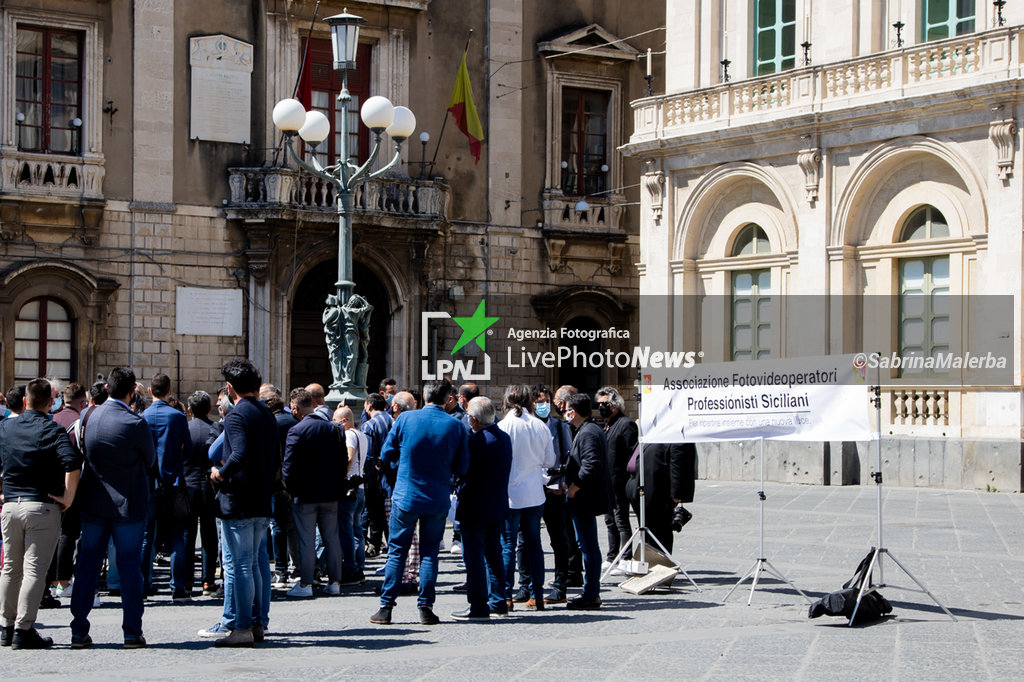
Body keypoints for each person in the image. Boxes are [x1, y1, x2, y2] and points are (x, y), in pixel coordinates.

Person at [70, 367, 156, 648]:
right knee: (129, 566)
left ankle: (78, 630)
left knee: (88, 564)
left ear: (106, 388)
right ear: (132, 393)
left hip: (94, 501)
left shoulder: (87, 416)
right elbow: (150, 461)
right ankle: (132, 631)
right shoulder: (135, 423)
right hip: (128, 504)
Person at [371, 381, 469, 626]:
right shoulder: (456, 425)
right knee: (429, 553)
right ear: (448, 399)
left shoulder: (405, 420)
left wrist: (400, 468)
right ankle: (425, 607)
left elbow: (386, 454)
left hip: (406, 495)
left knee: (397, 552)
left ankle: (386, 607)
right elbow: (463, 466)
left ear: (424, 397)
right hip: (436, 496)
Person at [0, 379, 82, 649]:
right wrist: (67, 498)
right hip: (41, 505)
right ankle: (24, 629)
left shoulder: (6, 427)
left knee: (10, 568)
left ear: (25, 401)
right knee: (34, 570)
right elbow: (72, 463)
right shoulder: (52, 429)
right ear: (51, 403)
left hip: (11, 504)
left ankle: (5, 626)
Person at [208, 359, 277, 647]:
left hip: (239, 499)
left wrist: (219, 474)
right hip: (262, 497)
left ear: (229, 387)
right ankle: (258, 622)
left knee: (240, 566)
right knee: (256, 564)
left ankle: (242, 627)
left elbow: (238, 454)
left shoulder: (237, 416)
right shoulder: (266, 413)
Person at [451, 397, 512, 621]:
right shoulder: (504, 438)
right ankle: (499, 601)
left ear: (474, 420)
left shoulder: (475, 442)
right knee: (494, 554)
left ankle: (478, 604)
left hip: (474, 506)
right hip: (496, 504)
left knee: (474, 557)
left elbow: (462, 470)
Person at [282, 388, 344, 599]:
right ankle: (335, 581)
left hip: (305, 495)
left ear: (296, 409)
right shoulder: (333, 429)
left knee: (306, 540)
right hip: (330, 493)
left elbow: (288, 467)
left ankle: (306, 582)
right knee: (331, 537)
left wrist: (290, 490)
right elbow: (341, 461)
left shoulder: (297, 430)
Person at [497, 385, 556, 611]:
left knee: (508, 546)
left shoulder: (504, 426)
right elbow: (550, 461)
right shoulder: (540, 427)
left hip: (511, 494)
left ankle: (506, 596)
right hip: (534, 493)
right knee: (534, 545)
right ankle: (537, 594)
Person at [142, 374, 193, 600]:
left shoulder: (142, 417)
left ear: (150, 391)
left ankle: (143, 583)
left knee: (146, 536)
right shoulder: (177, 417)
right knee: (176, 538)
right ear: (169, 390)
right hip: (173, 482)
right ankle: (178, 587)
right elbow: (189, 449)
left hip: (148, 483)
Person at [563, 393, 612, 610]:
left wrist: (573, 488)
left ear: (573, 411)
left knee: (588, 546)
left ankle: (591, 593)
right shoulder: (588, 429)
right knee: (588, 544)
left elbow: (591, 464)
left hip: (584, 498)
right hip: (584, 497)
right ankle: (591, 592)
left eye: (566, 409)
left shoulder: (589, 432)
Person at [625, 443, 696, 554]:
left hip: (657, 492)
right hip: (638, 487)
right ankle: (648, 560)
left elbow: (679, 462)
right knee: (646, 531)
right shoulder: (650, 433)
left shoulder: (674, 435)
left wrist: (677, 494)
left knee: (659, 533)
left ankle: (660, 564)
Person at [596, 387, 638, 571]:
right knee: (609, 520)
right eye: (599, 404)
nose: (601, 407)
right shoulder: (606, 425)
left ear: (614, 405)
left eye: (604, 404)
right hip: (606, 482)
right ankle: (612, 555)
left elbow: (632, 454)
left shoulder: (626, 424)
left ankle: (625, 556)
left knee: (621, 520)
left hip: (620, 482)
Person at [263, 387, 299, 587]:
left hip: (276, 482)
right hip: (294, 481)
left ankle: (281, 570)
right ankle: (299, 567)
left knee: (277, 526)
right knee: (294, 525)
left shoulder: (271, 425)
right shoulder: (295, 422)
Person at [184, 391, 219, 597]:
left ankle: (187, 581)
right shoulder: (214, 428)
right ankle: (208, 581)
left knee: (187, 535)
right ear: (209, 408)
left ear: (190, 410)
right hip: (209, 486)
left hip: (188, 486)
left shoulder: (185, 429)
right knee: (209, 535)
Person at [334, 406, 369, 585]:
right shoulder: (362, 434)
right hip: (360, 488)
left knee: (346, 530)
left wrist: (340, 476)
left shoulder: (348, 435)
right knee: (357, 530)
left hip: (348, 488)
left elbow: (348, 457)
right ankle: (359, 567)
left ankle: (350, 569)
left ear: (345, 421)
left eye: (336, 421)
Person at [359, 393, 392, 557]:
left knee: (374, 513)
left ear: (369, 405)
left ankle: (375, 544)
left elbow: (368, 456)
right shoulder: (394, 421)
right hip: (393, 477)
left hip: (376, 479)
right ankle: (381, 545)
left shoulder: (368, 426)